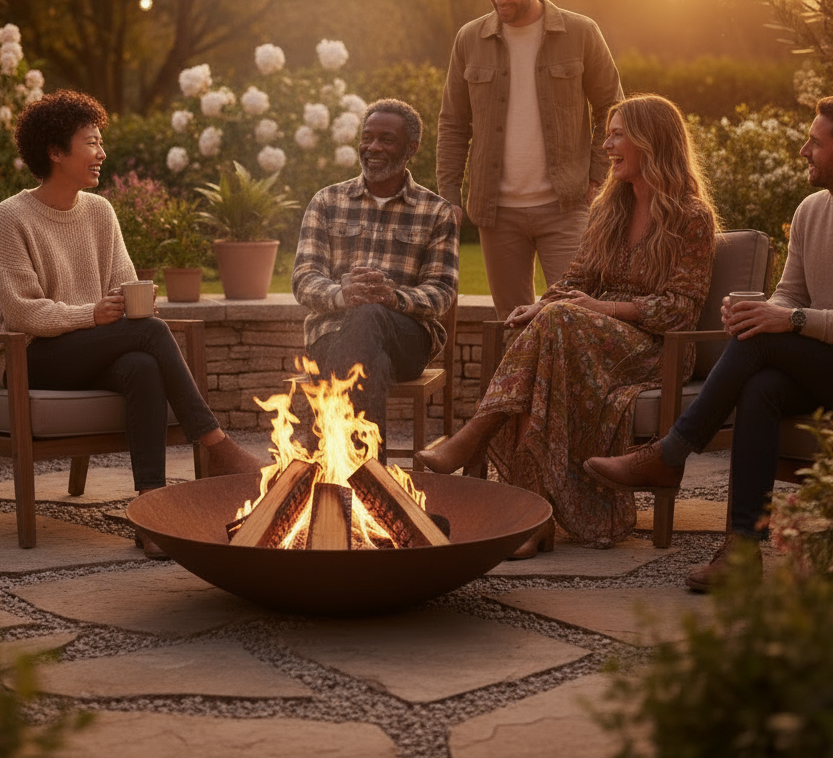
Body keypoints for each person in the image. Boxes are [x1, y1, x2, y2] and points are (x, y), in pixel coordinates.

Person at [417, 94, 718, 555]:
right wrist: (540, 307)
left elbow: (680, 309)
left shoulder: (691, 217)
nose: (606, 144)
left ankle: (478, 439)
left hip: (657, 345)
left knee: (559, 323)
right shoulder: (609, 207)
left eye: (618, 134)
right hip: (583, 333)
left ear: (650, 141)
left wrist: (598, 310)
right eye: (609, 133)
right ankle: (534, 518)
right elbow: (577, 278)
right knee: (547, 337)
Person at [0, 89, 260, 558]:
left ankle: (149, 514)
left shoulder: (100, 212)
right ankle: (214, 443)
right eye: (91, 142)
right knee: (149, 336)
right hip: (29, 355)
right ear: (55, 151)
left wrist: (135, 305)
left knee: (144, 366)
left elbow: (125, 284)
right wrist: (91, 314)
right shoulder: (11, 217)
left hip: (88, 347)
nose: (102, 153)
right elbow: (22, 311)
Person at [585, 97, 833, 590]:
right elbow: (790, 294)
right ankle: (741, 552)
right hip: (819, 365)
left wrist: (789, 319)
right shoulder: (811, 211)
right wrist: (759, 312)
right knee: (761, 381)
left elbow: (795, 311)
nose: (804, 149)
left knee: (761, 346)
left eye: (816, 142)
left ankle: (670, 453)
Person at [437, 0, 624, 320]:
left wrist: (596, 177)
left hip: (567, 206)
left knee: (573, 317)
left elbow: (613, 109)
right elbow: (453, 123)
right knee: (513, 323)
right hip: (496, 211)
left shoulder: (581, 33)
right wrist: (449, 195)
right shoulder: (469, 39)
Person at [292, 98, 458, 460]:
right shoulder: (327, 201)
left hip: (407, 340)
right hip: (330, 334)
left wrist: (392, 298)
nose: (373, 148)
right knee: (371, 359)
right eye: (367, 138)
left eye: (387, 139)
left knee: (370, 317)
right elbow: (304, 278)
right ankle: (372, 480)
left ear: (411, 148)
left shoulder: (435, 212)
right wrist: (342, 294)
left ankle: (332, 457)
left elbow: (442, 292)